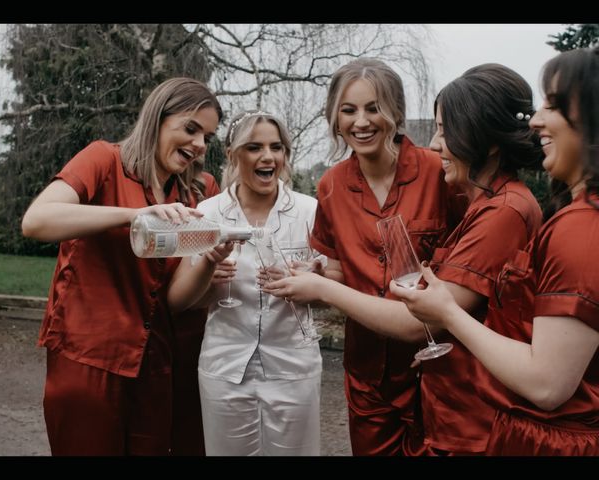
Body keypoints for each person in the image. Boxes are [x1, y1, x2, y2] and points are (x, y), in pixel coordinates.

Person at [391, 47, 599, 456]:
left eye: (553, 105)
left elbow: (548, 384)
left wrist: (447, 313)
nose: (535, 120)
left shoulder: (581, 227)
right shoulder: (571, 215)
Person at [21, 77, 232, 455]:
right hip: (88, 360)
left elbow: (173, 300)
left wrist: (207, 266)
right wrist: (134, 215)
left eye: (208, 137)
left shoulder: (199, 192)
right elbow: (37, 221)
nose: (199, 146)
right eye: (190, 129)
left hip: (155, 366)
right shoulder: (104, 159)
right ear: (157, 118)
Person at [265, 58, 465, 456]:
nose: (361, 121)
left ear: (395, 112)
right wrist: (314, 274)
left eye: (373, 108)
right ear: (334, 118)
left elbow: (465, 268)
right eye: (348, 110)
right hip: (367, 376)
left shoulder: (437, 173)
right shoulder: (331, 185)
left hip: (442, 371)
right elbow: (336, 269)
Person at [168, 110, 323, 456]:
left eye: (276, 147)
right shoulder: (206, 214)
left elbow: (333, 287)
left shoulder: (310, 211)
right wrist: (207, 270)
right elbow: (179, 300)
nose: (268, 157)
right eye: (254, 147)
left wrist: (310, 280)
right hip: (224, 369)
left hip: (294, 369)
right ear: (233, 154)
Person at [170, 159, 221, 456]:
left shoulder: (206, 186)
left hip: (193, 330)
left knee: (192, 432)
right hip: (143, 320)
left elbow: (212, 247)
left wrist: (212, 271)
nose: (200, 144)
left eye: (206, 135)